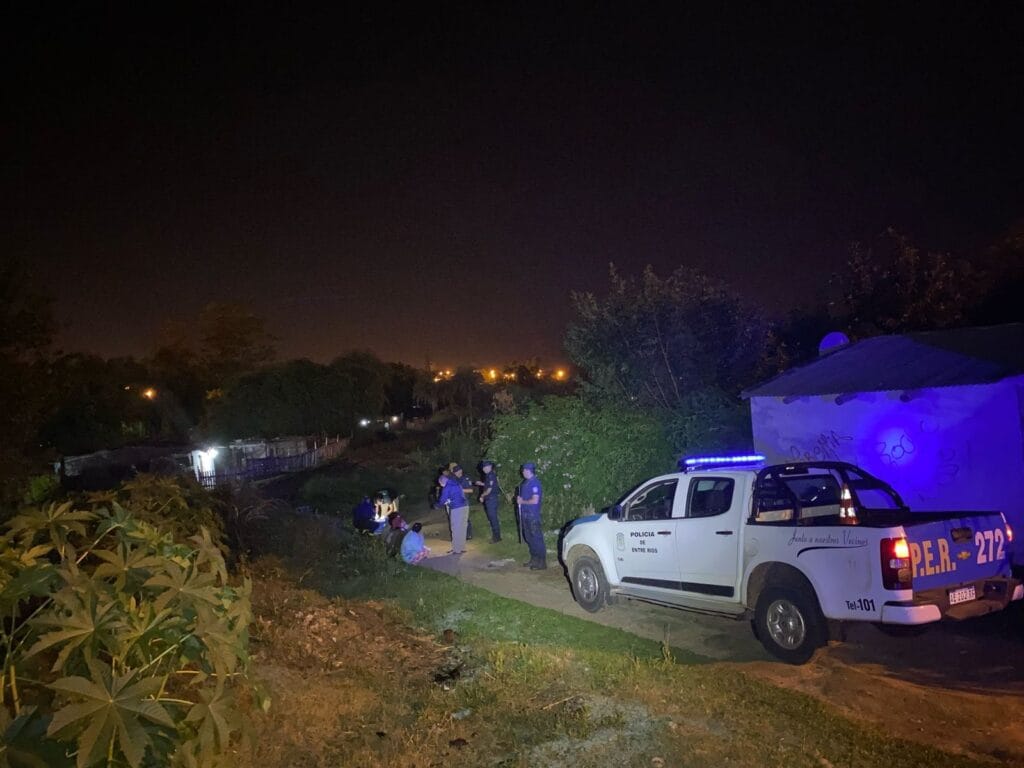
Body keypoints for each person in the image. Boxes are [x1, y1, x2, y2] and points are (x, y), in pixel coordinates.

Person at [516, 462, 546, 569]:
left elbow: (535, 500)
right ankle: (534, 559)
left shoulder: (534, 483)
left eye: (524, 470)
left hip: (532, 515)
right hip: (525, 514)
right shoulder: (525, 483)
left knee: (536, 538)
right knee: (529, 538)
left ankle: (541, 562)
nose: (523, 472)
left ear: (529, 471)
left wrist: (522, 501)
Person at [434, 472, 469, 554]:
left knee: (455, 528)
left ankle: (456, 549)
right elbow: (459, 495)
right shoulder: (457, 483)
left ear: (442, 482)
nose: (441, 486)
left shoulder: (447, 487)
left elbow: (442, 500)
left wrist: (437, 505)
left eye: (440, 484)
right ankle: (462, 547)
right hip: (465, 506)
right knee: (462, 527)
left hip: (456, 509)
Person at [476, 459, 502, 542]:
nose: (484, 468)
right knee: (492, 517)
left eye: (486, 467)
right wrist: (481, 483)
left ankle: (497, 537)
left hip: (491, 499)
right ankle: (496, 535)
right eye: (483, 467)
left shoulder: (490, 475)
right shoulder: (489, 475)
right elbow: (489, 485)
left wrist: (482, 496)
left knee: (493, 518)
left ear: (490, 466)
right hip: (491, 499)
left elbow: (489, 490)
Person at [450, 464, 474, 540]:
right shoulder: (454, 479)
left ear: (461, 470)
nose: (457, 473)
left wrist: (460, 490)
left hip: (464, 501)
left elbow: (471, 490)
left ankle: (468, 534)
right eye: (455, 472)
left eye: (458, 471)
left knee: (465, 519)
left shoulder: (465, 478)